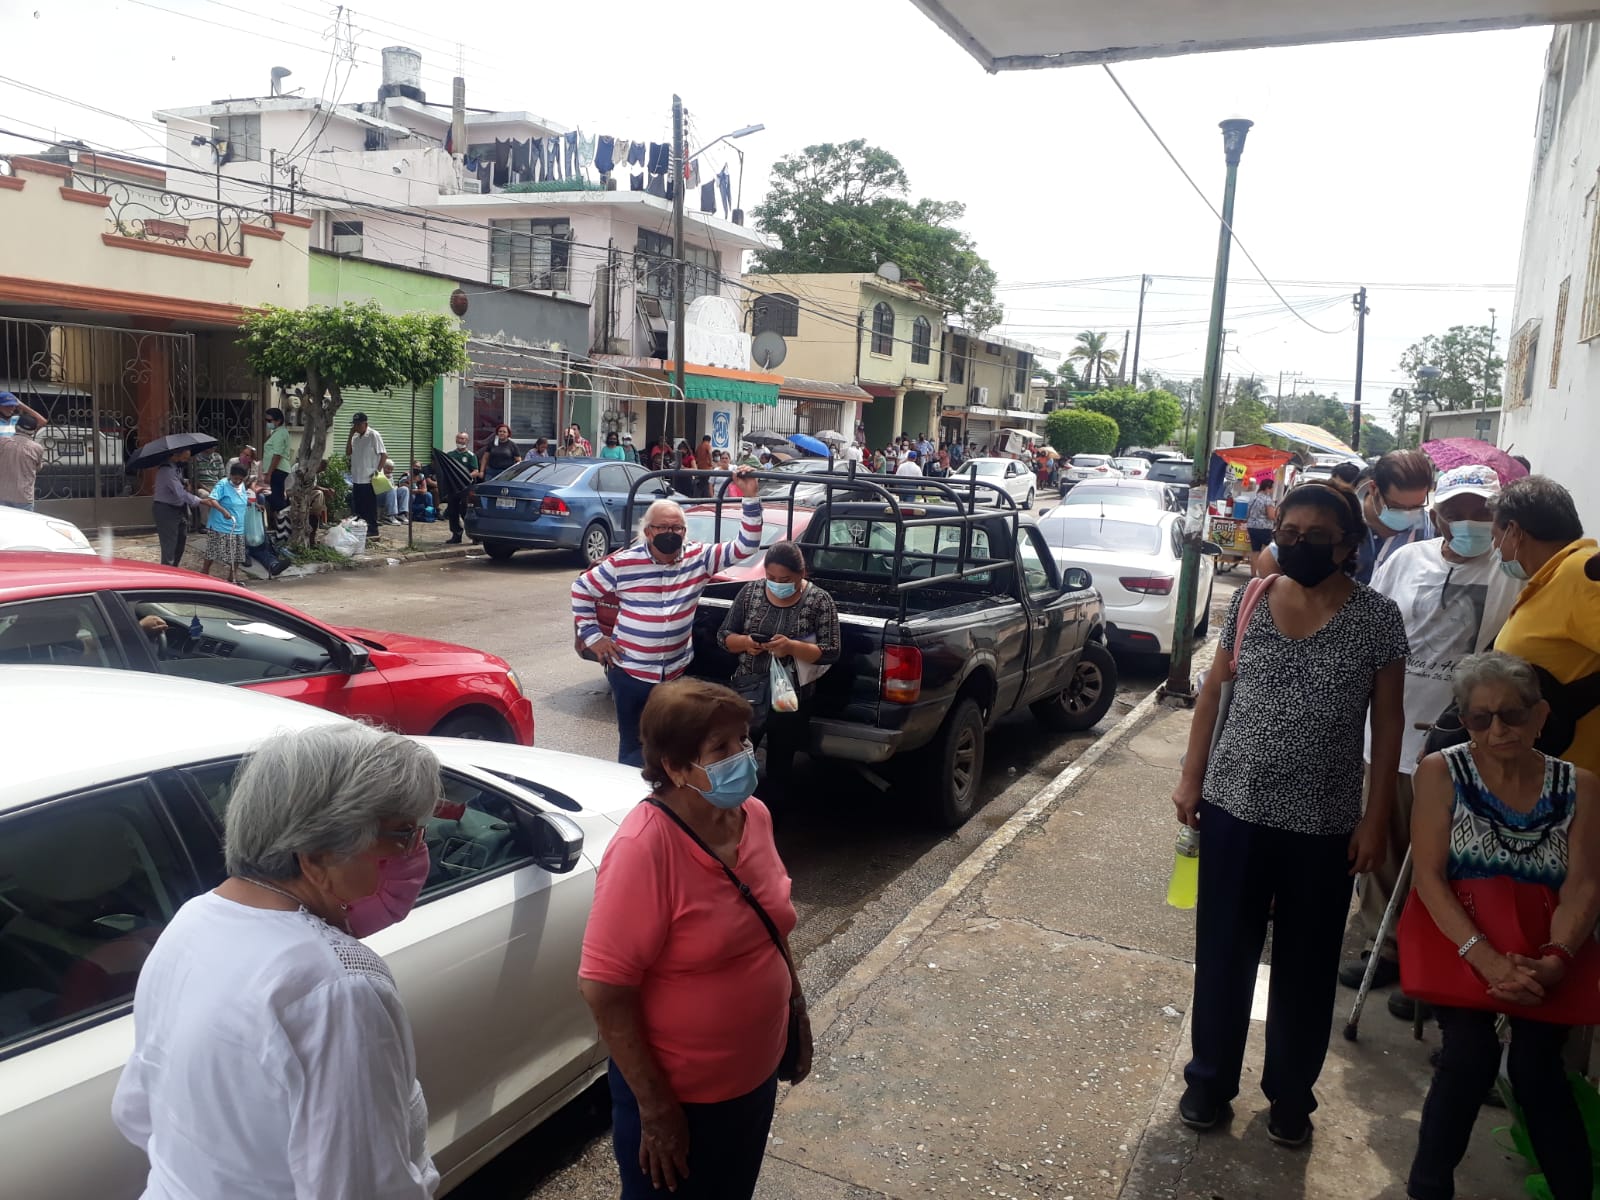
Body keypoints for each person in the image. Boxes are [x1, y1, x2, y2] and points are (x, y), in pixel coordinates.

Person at [1172, 482, 1408, 1146]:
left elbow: (1387, 728)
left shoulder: (1377, 618)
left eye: (1316, 536)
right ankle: (1209, 1081)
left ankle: (1291, 1098)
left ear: (1348, 545)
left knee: (1306, 968)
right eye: (1290, 532)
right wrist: (1191, 778)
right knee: (1223, 953)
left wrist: (1374, 817)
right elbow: (1214, 692)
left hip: (1325, 822)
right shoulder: (1251, 599)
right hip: (1233, 807)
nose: (1298, 544)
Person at [112, 724, 441, 1199]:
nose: (417, 852)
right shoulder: (334, 984)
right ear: (319, 856)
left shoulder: (194, 920)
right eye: (403, 834)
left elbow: (137, 1111)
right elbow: (363, 1190)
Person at [578, 679, 810, 1200]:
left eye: (743, 740)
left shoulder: (755, 817)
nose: (742, 757)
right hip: (681, 1100)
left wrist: (796, 1013)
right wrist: (656, 1109)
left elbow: (772, 927)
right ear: (676, 768)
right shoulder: (645, 847)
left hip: (753, 1077)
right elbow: (604, 990)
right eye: (720, 749)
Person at [1404, 652, 1600, 1200]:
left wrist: (1557, 958)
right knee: (1468, 1058)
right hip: (1460, 937)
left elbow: (1583, 884)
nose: (1497, 729)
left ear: (1540, 716)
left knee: (1538, 1070)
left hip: (1546, 944)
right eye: (1479, 718)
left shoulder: (1580, 786)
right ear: (1463, 721)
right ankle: (1427, 1188)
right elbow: (1430, 877)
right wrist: (1484, 956)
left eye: (1512, 715)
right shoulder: (1442, 772)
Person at [1340, 466, 1522, 1003]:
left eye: (1480, 512)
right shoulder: (1404, 561)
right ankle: (1383, 944)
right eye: (1457, 511)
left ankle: (1433, 959)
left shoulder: (1511, 573)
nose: (1468, 521)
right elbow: (1369, 629)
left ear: (1497, 517)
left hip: (1462, 746)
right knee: (1384, 846)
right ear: (1437, 514)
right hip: (1390, 733)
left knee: (1443, 859)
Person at [571, 469, 765, 766]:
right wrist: (594, 638)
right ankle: (634, 804)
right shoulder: (623, 563)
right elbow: (581, 590)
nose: (671, 534)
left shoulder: (698, 559)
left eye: (677, 528)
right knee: (634, 748)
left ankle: (665, 801)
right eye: (663, 528)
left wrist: (750, 497)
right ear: (648, 531)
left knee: (672, 747)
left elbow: (746, 546)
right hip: (630, 674)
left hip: (673, 675)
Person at [1490, 475, 1600, 777]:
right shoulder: (1550, 578)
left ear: (1514, 531)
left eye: (1495, 537)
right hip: (1546, 775)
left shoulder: (1580, 575)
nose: (1496, 549)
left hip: (1578, 780)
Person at [718, 541, 842, 804]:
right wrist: (745, 643)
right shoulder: (750, 592)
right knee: (736, 758)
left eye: (784, 579)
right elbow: (724, 635)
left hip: (792, 697)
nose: (776, 583)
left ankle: (771, 819)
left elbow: (831, 651)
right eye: (770, 578)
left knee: (780, 764)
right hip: (749, 689)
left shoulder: (819, 600)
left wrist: (792, 647)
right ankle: (733, 811)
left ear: (802, 574)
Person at [1354, 449, 1436, 584]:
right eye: (1397, 506)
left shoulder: (1429, 532)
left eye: (1417, 506)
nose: (1407, 513)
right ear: (1374, 489)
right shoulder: (1341, 520)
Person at [153, 448, 230, 567]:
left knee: (180, 541)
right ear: (175, 455)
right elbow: (180, 493)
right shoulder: (167, 470)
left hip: (178, 508)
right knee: (169, 546)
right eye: (185, 458)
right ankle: (167, 575)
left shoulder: (176, 468)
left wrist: (184, 481)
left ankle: (174, 570)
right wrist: (201, 501)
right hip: (166, 509)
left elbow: (180, 485)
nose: (186, 461)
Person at [200, 462, 252, 582]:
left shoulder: (242, 485)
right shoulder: (223, 484)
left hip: (237, 525)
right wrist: (223, 511)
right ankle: (204, 573)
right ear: (231, 475)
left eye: (240, 479)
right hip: (220, 525)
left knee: (237, 554)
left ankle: (232, 577)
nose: (237, 481)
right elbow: (212, 500)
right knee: (212, 551)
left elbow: (242, 500)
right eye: (235, 478)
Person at [346, 412, 388, 543]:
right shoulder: (356, 438)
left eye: (359, 424)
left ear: (365, 424)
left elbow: (383, 455)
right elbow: (348, 452)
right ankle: (361, 527)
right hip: (357, 476)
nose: (356, 427)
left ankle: (373, 529)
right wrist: (350, 435)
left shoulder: (373, 435)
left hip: (369, 477)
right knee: (358, 505)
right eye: (355, 425)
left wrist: (377, 471)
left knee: (369, 505)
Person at [440, 432, 479, 546]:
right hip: (453, 488)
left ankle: (474, 535)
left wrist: (466, 477)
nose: (460, 441)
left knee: (465, 511)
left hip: (465, 488)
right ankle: (456, 535)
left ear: (467, 441)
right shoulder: (450, 454)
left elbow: (476, 471)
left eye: (463, 439)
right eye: (458, 438)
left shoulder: (471, 456)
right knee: (452, 511)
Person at [0, 417, 46, 511]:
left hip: (2, 494)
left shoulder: (3, 442)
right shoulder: (37, 448)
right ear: (33, 431)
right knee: (24, 524)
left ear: (16, 427)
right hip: (23, 496)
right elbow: (38, 468)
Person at [262, 406, 292, 518]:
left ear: (278, 420)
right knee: (276, 497)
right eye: (266, 420)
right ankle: (280, 525)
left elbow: (277, 454)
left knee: (274, 497)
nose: (267, 423)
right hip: (276, 470)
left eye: (269, 420)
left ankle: (285, 519)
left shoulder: (280, 433)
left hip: (278, 470)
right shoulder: (276, 432)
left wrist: (269, 473)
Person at [1244, 478, 1277, 576]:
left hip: (1252, 527)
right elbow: (1271, 516)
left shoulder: (1253, 498)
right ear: (1267, 488)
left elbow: (1247, 514)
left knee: (1255, 551)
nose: (1272, 491)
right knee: (1268, 551)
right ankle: (1265, 574)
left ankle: (1253, 575)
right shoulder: (1267, 499)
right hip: (1264, 528)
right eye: (1272, 488)